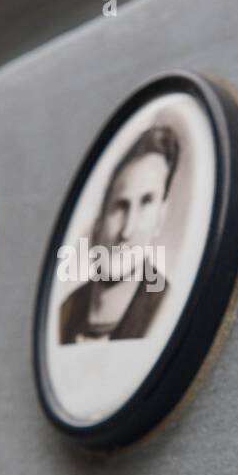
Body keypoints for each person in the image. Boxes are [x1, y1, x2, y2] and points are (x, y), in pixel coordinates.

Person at [59, 124, 176, 343]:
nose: (127, 230)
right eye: (120, 207)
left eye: (146, 203)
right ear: (99, 220)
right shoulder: (64, 313)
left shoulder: (168, 308)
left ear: (160, 217)